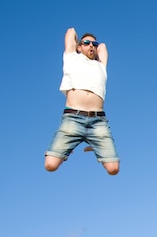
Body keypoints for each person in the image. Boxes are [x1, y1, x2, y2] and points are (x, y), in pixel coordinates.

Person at [44, 28, 120, 175]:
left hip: (98, 121)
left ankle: (95, 144)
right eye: (86, 43)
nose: (91, 45)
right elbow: (71, 32)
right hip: (73, 119)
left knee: (113, 169)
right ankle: (70, 145)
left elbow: (103, 46)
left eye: (93, 44)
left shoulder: (101, 65)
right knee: (50, 165)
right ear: (79, 46)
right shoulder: (71, 57)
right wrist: (78, 44)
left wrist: (93, 46)